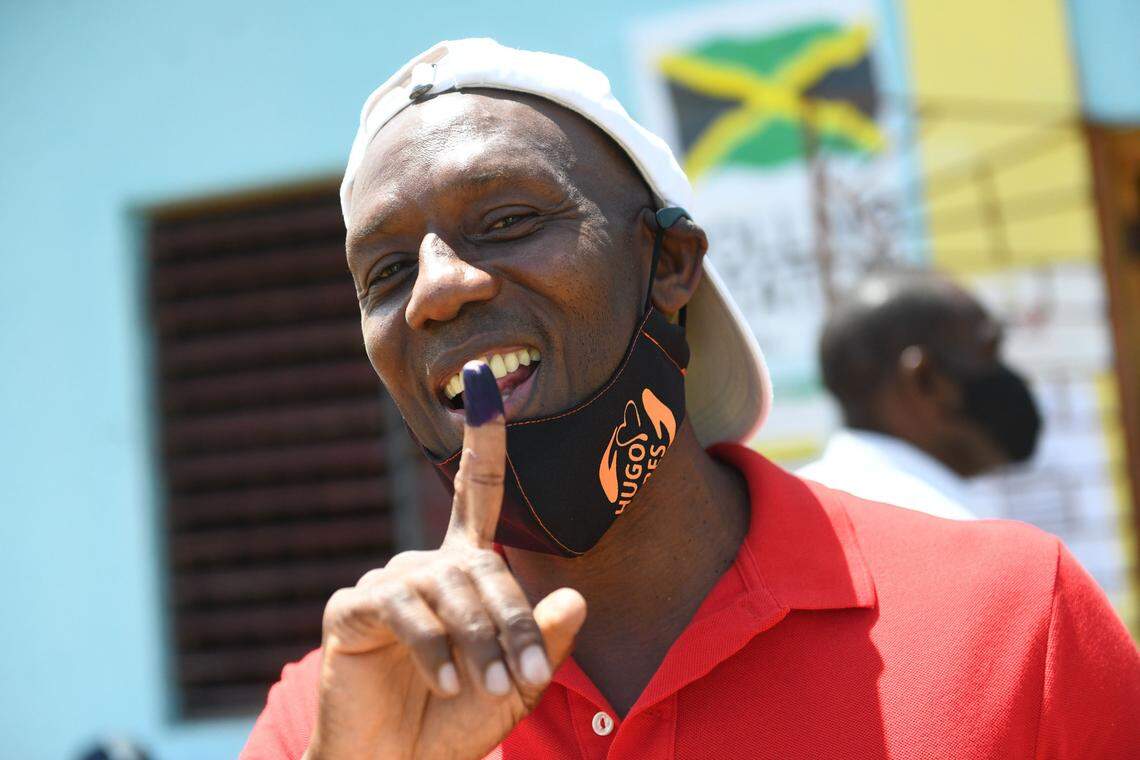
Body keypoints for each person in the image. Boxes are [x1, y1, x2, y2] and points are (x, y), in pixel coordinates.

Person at [241, 39, 1139, 759]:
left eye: (508, 221)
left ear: (672, 264)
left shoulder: (1016, 619)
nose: (436, 288)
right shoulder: (339, 714)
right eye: (387, 272)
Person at [798, 270, 1042, 520]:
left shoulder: (791, 512)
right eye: (988, 354)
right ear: (925, 381)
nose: (1019, 379)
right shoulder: (948, 527)